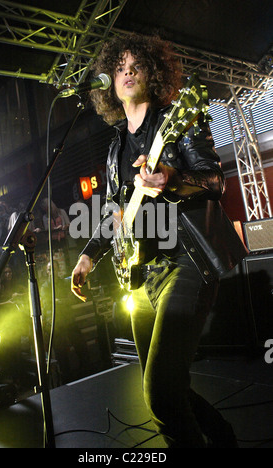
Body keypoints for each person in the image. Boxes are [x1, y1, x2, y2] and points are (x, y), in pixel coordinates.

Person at [71, 32, 247, 448]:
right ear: (109, 82)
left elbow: (214, 181)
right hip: (140, 275)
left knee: (159, 394)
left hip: (186, 261)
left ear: (150, 72)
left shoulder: (177, 120)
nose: (127, 73)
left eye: (135, 66)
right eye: (119, 68)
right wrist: (88, 255)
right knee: (166, 382)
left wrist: (170, 178)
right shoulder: (115, 150)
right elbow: (116, 214)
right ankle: (222, 438)